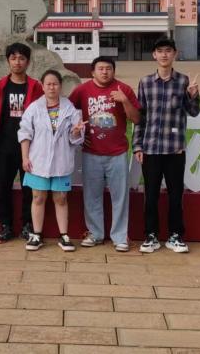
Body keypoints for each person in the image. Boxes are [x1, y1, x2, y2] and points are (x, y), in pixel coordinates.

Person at [132, 38, 200, 254]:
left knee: (175, 195)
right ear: (154, 55)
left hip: (174, 149)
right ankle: (150, 235)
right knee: (150, 195)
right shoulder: (145, 82)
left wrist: (193, 95)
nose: (164, 55)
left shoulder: (183, 81)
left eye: (168, 51)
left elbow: (193, 112)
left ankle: (175, 235)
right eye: (160, 51)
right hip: (151, 148)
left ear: (175, 54)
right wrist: (137, 146)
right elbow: (140, 117)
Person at [69, 56, 140, 252]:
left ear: (113, 71)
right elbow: (68, 112)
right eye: (100, 68)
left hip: (117, 152)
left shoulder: (124, 89)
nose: (105, 72)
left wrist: (124, 101)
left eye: (108, 68)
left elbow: (136, 119)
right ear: (92, 72)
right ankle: (95, 233)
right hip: (91, 152)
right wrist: (78, 132)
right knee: (92, 195)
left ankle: (120, 237)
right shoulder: (82, 90)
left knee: (120, 196)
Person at [19, 70, 85, 252]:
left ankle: (64, 235)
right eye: (48, 84)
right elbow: (25, 133)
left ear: (60, 86)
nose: (52, 87)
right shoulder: (34, 108)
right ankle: (36, 235)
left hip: (61, 161)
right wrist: (25, 157)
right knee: (38, 197)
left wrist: (76, 131)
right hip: (38, 161)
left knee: (61, 198)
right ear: (42, 86)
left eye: (55, 84)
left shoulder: (69, 109)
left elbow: (75, 137)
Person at [0, 43, 42, 244]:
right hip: (5, 145)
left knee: (30, 187)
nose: (17, 62)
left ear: (28, 62)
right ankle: (5, 226)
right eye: (13, 58)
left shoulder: (36, 87)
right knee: (2, 186)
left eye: (21, 58)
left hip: (30, 147)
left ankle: (27, 225)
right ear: (8, 61)